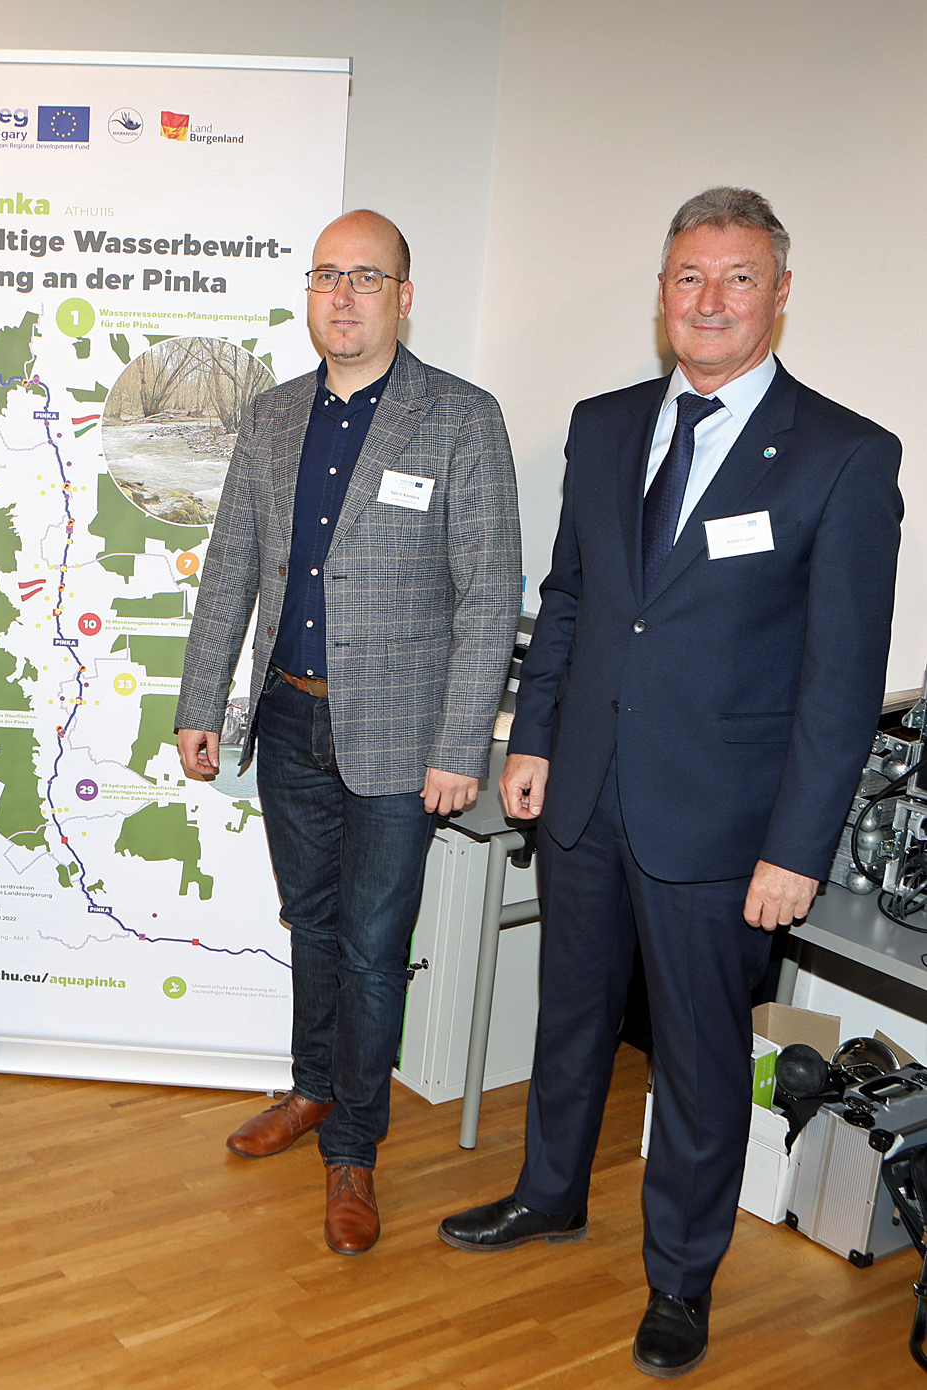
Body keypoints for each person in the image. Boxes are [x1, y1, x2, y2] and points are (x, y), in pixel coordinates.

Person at [438, 188, 904, 1378]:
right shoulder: (601, 426)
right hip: (585, 791)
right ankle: (548, 1193)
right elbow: (573, 599)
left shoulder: (843, 455)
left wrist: (796, 846)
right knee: (568, 1015)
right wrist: (533, 740)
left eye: (735, 277)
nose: (708, 300)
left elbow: (840, 680)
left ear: (777, 294)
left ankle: (679, 1279)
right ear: (660, 293)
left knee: (696, 1060)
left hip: (721, 821)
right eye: (687, 277)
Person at [175, 209, 521, 1254]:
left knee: (373, 949)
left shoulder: (459, 417)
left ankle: (353, 1150)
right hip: (289, 715)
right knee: (312, 923)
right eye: (327, 275)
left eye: (365, 277)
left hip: (401, 737)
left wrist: (459, 746)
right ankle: (313, 1087)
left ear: (403, 297)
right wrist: (199, 702)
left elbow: (487, 597)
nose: (343, 295)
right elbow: (231, 566)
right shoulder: (274, 414)